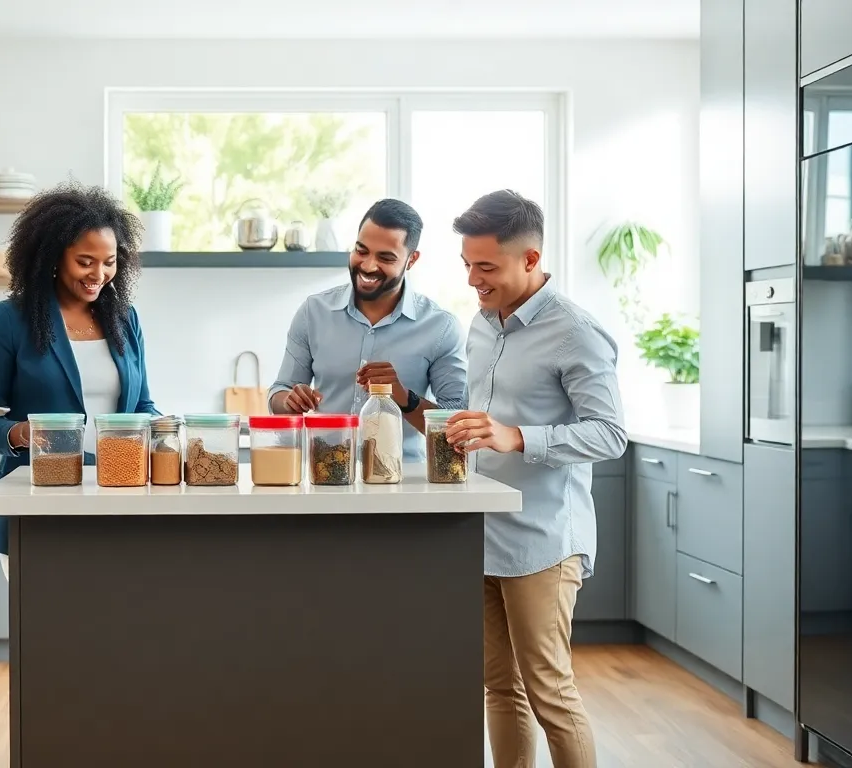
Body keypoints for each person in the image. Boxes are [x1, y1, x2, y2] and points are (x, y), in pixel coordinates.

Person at [443, 190, 626, 768]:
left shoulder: (575, 331)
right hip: (486, 531)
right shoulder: (481, 323)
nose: (474, 279)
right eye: (468, 265)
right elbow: (484, 417)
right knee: (500, 686)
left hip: (545, 538)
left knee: (549, 689)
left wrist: (518, 436)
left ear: (530, 259)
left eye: (487, 267)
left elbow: (610, 434)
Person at [0, 182, 159, 579]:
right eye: (86, 261)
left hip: (113, 496)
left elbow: (140, 405)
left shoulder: (126, 319)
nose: (100, 274)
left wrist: (167, 431)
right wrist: (25, 433)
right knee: (42, 632)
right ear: (55, 257)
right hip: (38, 499)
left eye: (110, 262)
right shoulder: (12, 319)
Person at [268, 198, 468, 459]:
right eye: (361, 251)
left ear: (411, 260)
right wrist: (289, 401)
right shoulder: (313, 312)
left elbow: (456, 423)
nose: (368, 266)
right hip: (325, 475)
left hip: (403, 483)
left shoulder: (441, 327)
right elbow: (279, 391)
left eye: (385, 257)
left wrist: (405, 397)